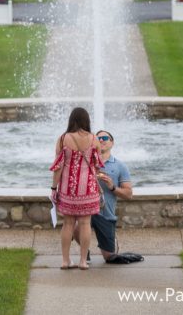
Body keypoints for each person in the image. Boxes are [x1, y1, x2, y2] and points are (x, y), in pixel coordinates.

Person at [50, 106, 103, 270]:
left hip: (67, 189)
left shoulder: (62, 139)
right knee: (86, 224)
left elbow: (58, 167)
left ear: (71, 120)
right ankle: (82, 261)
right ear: (86, 120)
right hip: (87, 188)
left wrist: (53, 188)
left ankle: (65, 261)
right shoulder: (94, 140)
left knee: (67, 224)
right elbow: (98, 166)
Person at [76, 129, 134, 262]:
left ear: (112, 143)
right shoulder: (85, 163)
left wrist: (112, 187)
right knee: (74, 226)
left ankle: (111, 240)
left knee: (110, 258)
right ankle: (86, 252)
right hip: (88, 210)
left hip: (106, 214)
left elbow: (129, 194)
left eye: (105, 138)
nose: (101, 140)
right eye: (98, 138)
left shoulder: (120, 166)